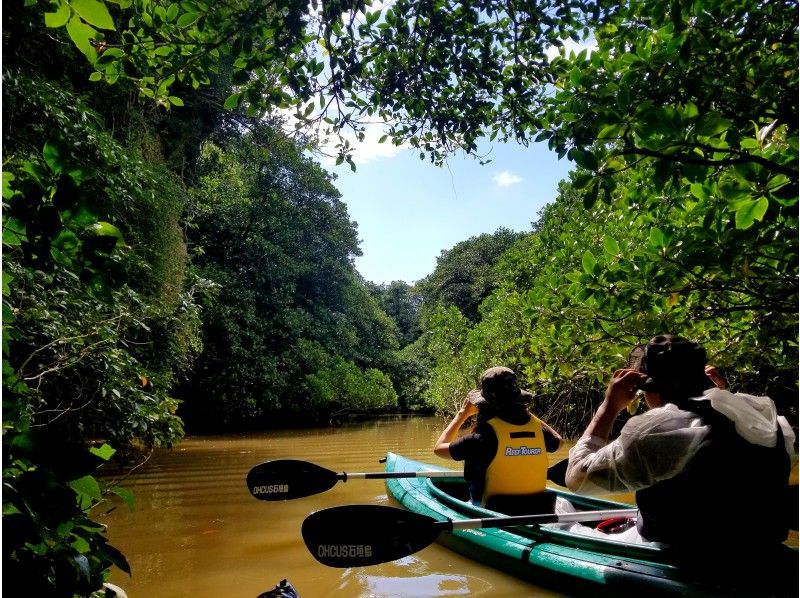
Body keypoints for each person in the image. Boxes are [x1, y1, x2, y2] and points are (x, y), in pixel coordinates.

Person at [566, 334, 797, 561]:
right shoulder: (767, 417)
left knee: (566, 513)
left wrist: (609, 406)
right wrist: (720, 394)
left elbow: (577, 480)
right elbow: (732, 466)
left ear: (650, 389)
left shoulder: (657, 430)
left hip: (687, 556)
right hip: (760, 547)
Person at [434, 366, 562, 513]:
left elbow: (438, 449)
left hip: (495, 511)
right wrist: (527, 414)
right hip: (539, 508)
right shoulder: (539, 431)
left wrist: (461, 415)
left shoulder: (479, 439)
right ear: (519, 399)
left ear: (483, 403)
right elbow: (559, 440)